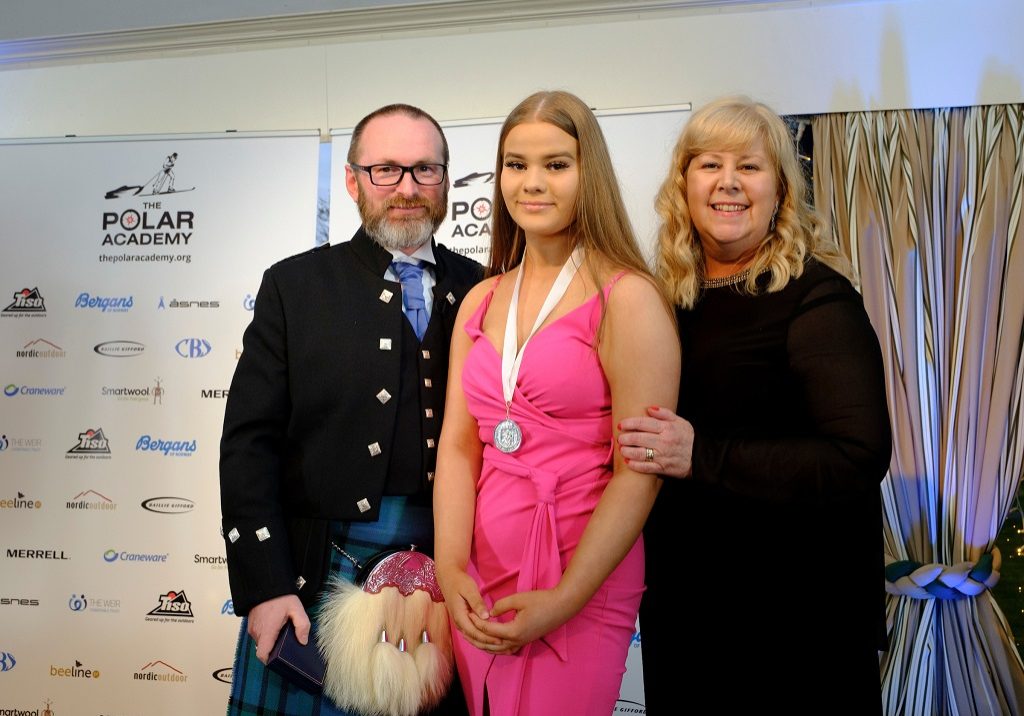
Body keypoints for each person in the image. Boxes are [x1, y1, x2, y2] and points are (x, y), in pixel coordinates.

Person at [617, 96, 892, 714]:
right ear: (683, 184)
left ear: (780, 191)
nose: (728, 182)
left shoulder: (817, 297)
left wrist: (702, 456)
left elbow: (857, 454)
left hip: (797, 623)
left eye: (750, 166)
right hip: (689, 612)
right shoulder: (664, 300)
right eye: (709, 164)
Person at [220, 103, 483, 715]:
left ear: (446, 179)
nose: (407, 189)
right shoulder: (296, 287)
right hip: (319, 573)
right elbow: (248, 444)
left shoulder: (485, 289)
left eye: (424, 170)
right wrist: (266, 585)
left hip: (454, 582)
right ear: (352, 179)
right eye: (385, 169)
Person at [433, 90, 680, 716]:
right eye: (516, 165)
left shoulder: (628, 298)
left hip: (581, 576)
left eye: (555, 164)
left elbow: (639, 471)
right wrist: (451, 566)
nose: (532, 183)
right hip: (481, 574)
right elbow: (461, 450)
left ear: (587, 173)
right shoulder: (482, 300)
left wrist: (566, 597)